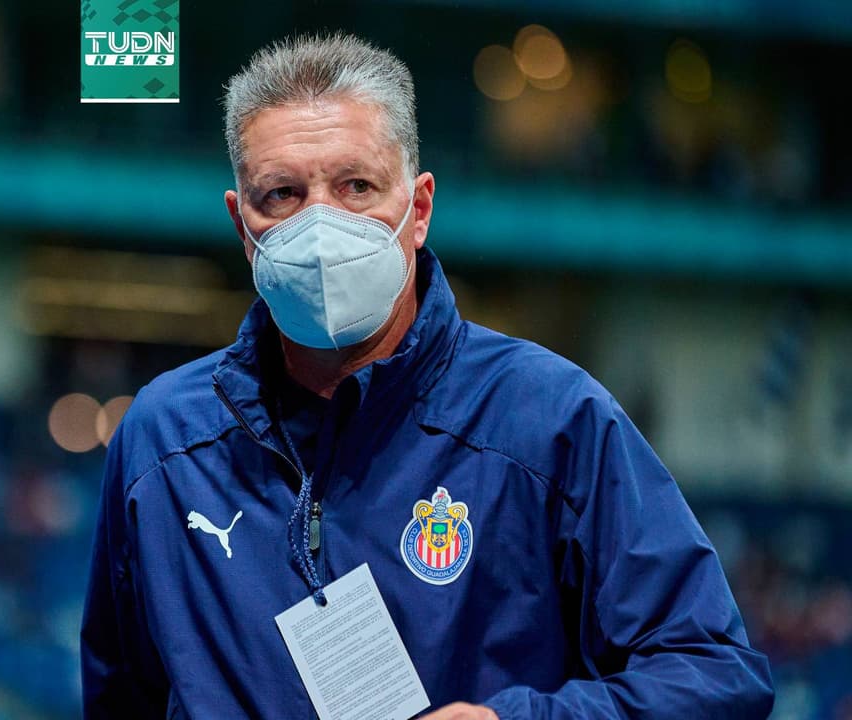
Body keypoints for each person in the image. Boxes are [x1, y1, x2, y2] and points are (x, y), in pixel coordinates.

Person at [80, 32, 773, 720]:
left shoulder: (547, 419)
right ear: (242, 225)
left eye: (356, 186)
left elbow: (716, 676)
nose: (320, 226)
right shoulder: (164, 441)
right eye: (283, 194)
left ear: (418, 209)